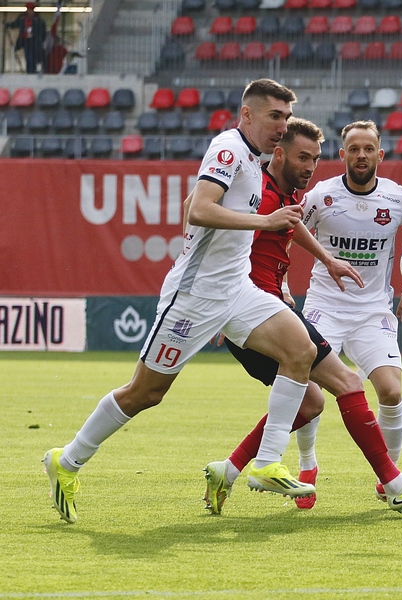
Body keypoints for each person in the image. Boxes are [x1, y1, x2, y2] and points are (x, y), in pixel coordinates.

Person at [42, 79, 323, 524]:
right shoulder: (229, 149)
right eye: (275, 116)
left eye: (287, 118)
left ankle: (267, 463)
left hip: (236, 288)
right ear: (247, 114)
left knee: (301, 350)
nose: (282, 126)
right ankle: (67, 460)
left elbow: (195, 201)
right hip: (193, 297)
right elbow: (199, 209)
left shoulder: (253, 158)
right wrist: (263, 220)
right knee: (145, 393)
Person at [203, 118, 402, 514]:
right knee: (331, 389)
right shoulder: (299, 196)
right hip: (308, 308)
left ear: (380, 154)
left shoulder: (391, 197)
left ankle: (230, 469)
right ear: (344, 154)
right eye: (353, 149)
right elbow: (251, 237)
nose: (362, 155)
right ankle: (355, 476)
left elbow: (289, 225)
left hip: (367, 311)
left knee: (351, 396)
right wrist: (231, 303)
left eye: (369, 149)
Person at [6, 2, 47, 73]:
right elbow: (15, 24)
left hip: (35, 43)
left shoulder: (38, 20)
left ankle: (33, 71)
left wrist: (41, 40)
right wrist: (7, 25)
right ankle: (30, 71)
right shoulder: (22, 18)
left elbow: (43, 32)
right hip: (26, 42)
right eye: (29, 9)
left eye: (31, 10)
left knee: (34, 58)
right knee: (29, 58)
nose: (30, 11)